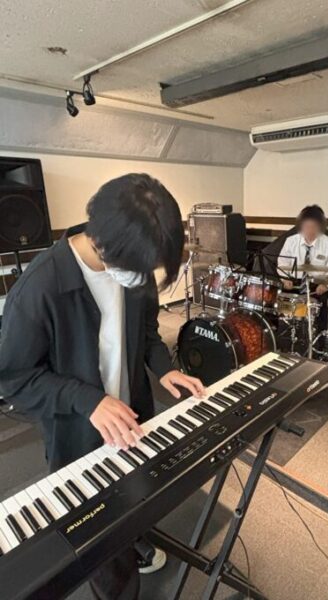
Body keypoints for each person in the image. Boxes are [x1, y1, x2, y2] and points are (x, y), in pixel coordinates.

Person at [0, 173, 206, 600]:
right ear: (105, 245)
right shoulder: (40, 287)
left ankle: (135, 539)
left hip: (133, 416)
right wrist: (88, 400)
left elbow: (147, 332)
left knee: (136, 497)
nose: (145, 276)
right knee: (103, 549)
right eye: (142, 268)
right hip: (79, 436)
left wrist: (163, 368)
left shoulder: (133, 263)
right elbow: (14, 378)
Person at [277, 205, 328, 345]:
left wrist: (325, 284)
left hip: (317, 286)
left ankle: (319, 345)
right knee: (281, 305)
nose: (309, 230)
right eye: (306, 226)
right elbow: (282, 262)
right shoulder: (291, 241)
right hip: (294, 283)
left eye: (313, 226)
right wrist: (284, 279)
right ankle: (286, 342)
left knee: (326, 310)